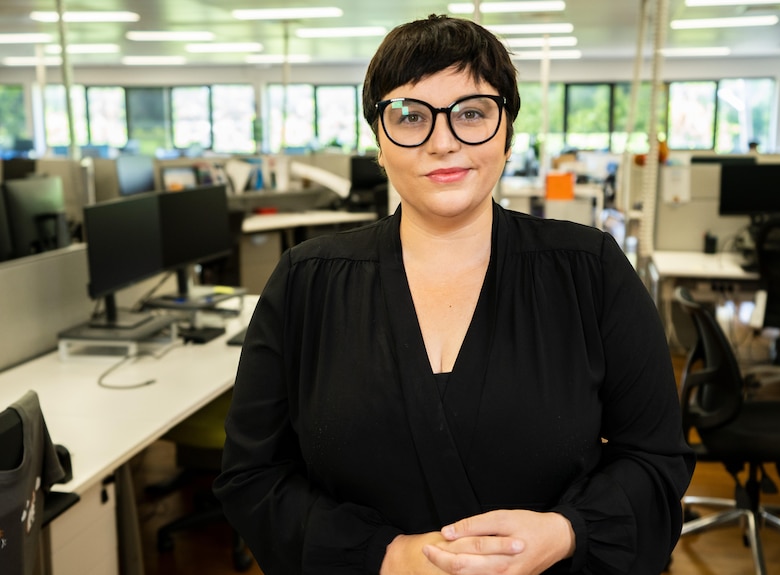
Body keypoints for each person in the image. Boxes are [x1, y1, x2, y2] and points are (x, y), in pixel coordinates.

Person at [214, 14, 695, 575]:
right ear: (378, 140)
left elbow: (656, 461)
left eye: (471, 113)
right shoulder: (305, 281)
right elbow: (253, 476)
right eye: (410, 116)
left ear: (507, 130)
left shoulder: (589, 270)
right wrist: (385, 556)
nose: (443, 142)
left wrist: (564, 533)